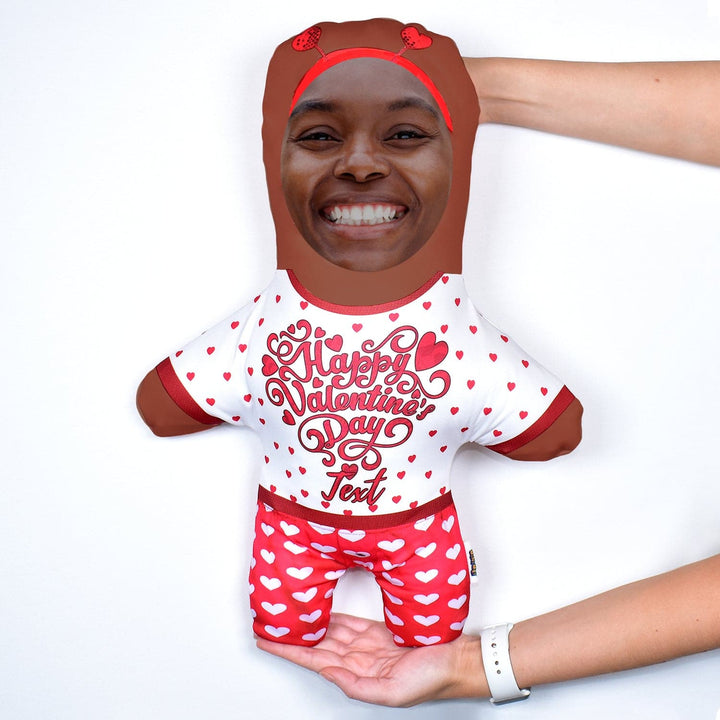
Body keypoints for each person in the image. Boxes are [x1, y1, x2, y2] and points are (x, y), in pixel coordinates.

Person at [256, 56, 720, 703]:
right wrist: (449, 84)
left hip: (387, 525)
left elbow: (552, 427)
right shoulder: (276, 321)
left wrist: (477, 668)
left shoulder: (443, 334)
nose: (360, 168)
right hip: (310, 519)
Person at [136, 19, 582, 650]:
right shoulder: (258, 332)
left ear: (459, 155)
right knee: (286, 633)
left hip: (417, 529)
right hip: (292, 525)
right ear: (273, 156)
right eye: (319, 135)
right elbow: (163, 405)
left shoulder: (463, 345)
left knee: (431, 642)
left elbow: (556, 430)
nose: (362, 165)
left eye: (406, 134)